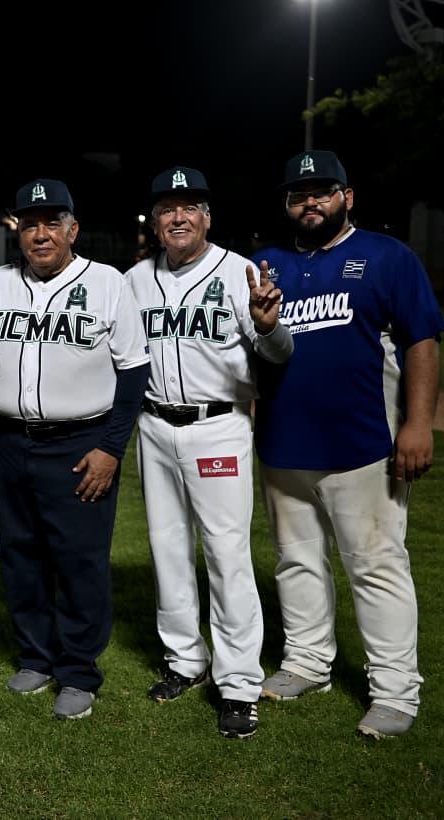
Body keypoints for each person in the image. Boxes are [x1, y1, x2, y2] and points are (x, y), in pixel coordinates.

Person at [252, 150, 444, 739]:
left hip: (365, 444)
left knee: (377, 566)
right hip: (284, 445)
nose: (310, 202)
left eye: (323, 191)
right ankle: (308, 661)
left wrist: (417, 423)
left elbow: (421, 340)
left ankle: (394, 690)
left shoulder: (387, 256)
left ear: (347, 197)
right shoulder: (266, 263)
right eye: (298, 194)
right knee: (296, 560)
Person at [124, 166, 293, 739]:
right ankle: (184, 660)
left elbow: (278, 352)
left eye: (190, 206)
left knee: (226, 555)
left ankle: (240, 682)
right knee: (167, 548)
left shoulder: (239, 272)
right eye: (168, 207)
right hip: (154, 425)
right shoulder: (135, 279)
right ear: (154, 219)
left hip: (218, 426)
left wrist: (269, 327)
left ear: (207, 218)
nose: (179, 216)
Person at [0, 178, 150, 720]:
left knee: (80, 560)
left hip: (81, 442)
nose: (40, 234)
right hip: (11, 438)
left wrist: (110, 449)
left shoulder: (107, 282)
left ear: (72, 229)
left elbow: (133, 375)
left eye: (51, 223)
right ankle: (36, 656)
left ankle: (79, 670)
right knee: (21, 554)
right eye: (30, 223)